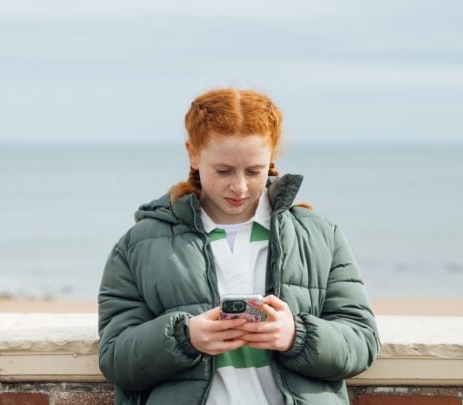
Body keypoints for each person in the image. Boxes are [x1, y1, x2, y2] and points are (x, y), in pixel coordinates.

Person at [98, 88, 380, 405]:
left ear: (272, 158)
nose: (239, 187)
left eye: (254, 171)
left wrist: (296, 336)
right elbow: (115, 358)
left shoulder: (320, 236)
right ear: (193, 154)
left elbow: (363, 342)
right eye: (224, 170)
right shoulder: (139, 244)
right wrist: (184, 338)